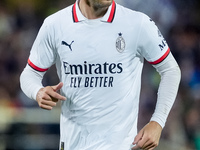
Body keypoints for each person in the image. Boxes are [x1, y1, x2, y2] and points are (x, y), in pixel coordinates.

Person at [20, 0, 181, 149]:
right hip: (73, 145)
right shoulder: (55, 25)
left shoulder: (138, 23)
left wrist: (157, 122)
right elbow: (30, 73)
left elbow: (171, 70)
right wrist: (37, 91)